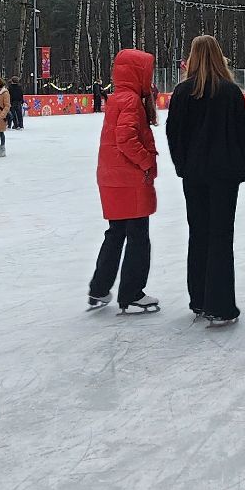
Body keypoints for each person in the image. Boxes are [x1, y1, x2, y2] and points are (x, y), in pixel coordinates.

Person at [165, 35, 245, 327]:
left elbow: (173, 135)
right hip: (225, 174)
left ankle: (199, 298)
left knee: (199, 233)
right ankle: (220, 304)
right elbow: (242, 137)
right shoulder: (230, 92)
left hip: (195, 174)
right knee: (220, 236)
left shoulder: (182, 92)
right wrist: (242, 167)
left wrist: (183, 166)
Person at [88, 48, 160, 313]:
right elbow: (126, 139)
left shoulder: (119, 97)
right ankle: (131, 292)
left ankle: (99, 288)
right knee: (138, 236)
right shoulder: (130, 100)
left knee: (116, 232)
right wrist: (147, 162)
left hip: (111, 176)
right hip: (128, 178)